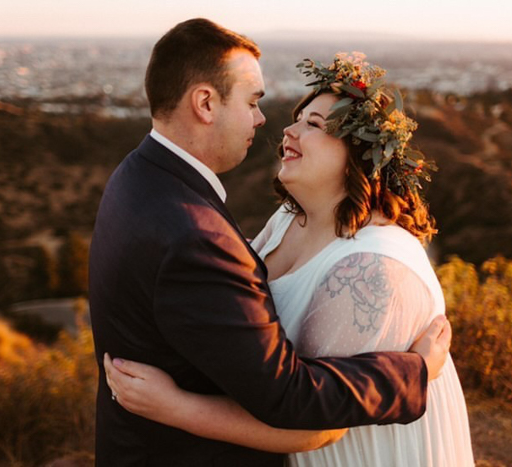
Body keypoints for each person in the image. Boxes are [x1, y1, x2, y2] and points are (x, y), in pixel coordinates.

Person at [89, 19, 451, 467]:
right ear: (205, 102)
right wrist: (414, 372)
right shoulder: (198, 238)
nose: (269, 122)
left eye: (312, 123)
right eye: (252, 101)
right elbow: (290, 398)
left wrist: (177, 406)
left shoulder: (137, 176)